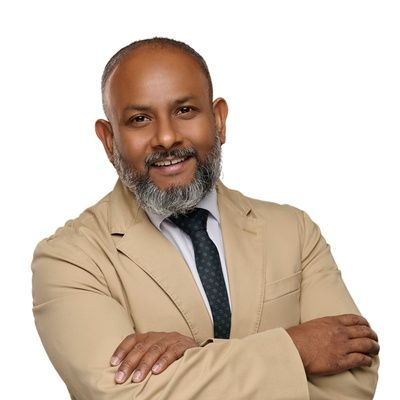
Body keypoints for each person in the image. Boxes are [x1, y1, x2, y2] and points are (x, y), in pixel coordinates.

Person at [32, 37, 379, 399]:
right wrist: (297, 348)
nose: (166, 137)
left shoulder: (294, 231)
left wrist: (193, 359)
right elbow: (123, 395)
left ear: (219, 120)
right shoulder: (69, 258)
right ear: (108, 140)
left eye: (185, 111)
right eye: (139, 119)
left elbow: (354, 379)